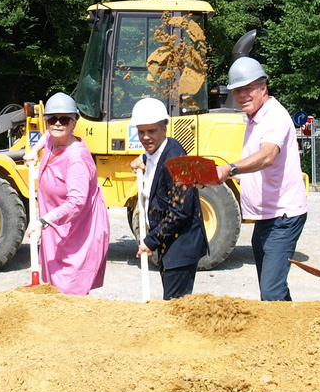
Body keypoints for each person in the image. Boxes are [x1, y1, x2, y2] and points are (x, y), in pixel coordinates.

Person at [214, 57, 307, 302]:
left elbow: (267, 156)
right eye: (237, 91)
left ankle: (278, 339)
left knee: (271, 292)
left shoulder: (273, 116)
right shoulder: (254, 117)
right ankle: (291, 332)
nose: (242, 95)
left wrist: (230, 169)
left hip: (283, 216)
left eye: (248, 89)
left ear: (263, 88)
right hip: (267, 217)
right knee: (274, 287)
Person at [22, 93, 109, 295]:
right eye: (52, 119)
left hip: (78, 231)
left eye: (65, 119)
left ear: (74, 123)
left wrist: (42, 222)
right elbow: (49, 135)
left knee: (69, 291)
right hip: (57, 227)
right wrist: (35, 150)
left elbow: (76, 203)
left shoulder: (76, 159)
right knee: (54, 287)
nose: (58, 124)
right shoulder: (54, 139)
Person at [130, 98, 208, 300]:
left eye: (152, 131)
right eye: (141, 132)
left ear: (164, 128)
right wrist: (142, 157)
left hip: (182, 248)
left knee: (175, 305)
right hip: (170, 246)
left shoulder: (178, 161)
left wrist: (150, 241)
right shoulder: (161, 149)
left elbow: (180, 212)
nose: (146, 137)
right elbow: (155, 157)